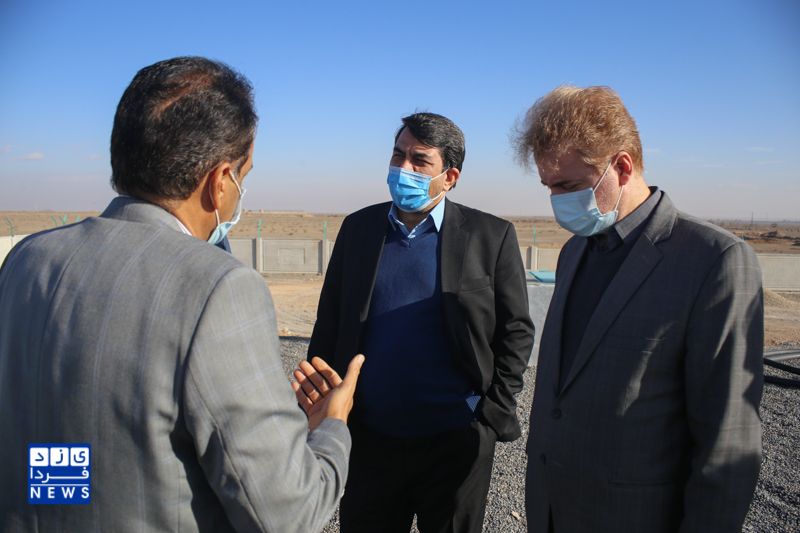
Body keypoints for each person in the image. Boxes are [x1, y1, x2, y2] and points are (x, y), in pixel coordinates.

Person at [0, 56, 363, 533]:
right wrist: (331, 426)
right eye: (244, 175)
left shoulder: (28, 257)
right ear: (219, 182)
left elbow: (63, 441)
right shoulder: (219, 288)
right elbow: (286, 514)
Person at [512, 85, 764, 532]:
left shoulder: (713, 260)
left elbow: (727, 442)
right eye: (549, 187)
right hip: (551, 510)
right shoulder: (574, 252)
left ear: (622, 167)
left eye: (568, 186)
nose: (557, 202)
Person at [305, 112, 535, 532]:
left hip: (456, 441)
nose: (403, 168)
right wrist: (322, 403)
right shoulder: (358, 229)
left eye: (419, 160)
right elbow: (331, 320)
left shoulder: (491, 236)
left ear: (450, 177)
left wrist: (491, 412)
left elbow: (515, 329)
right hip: (368, 440)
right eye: (398, 155)